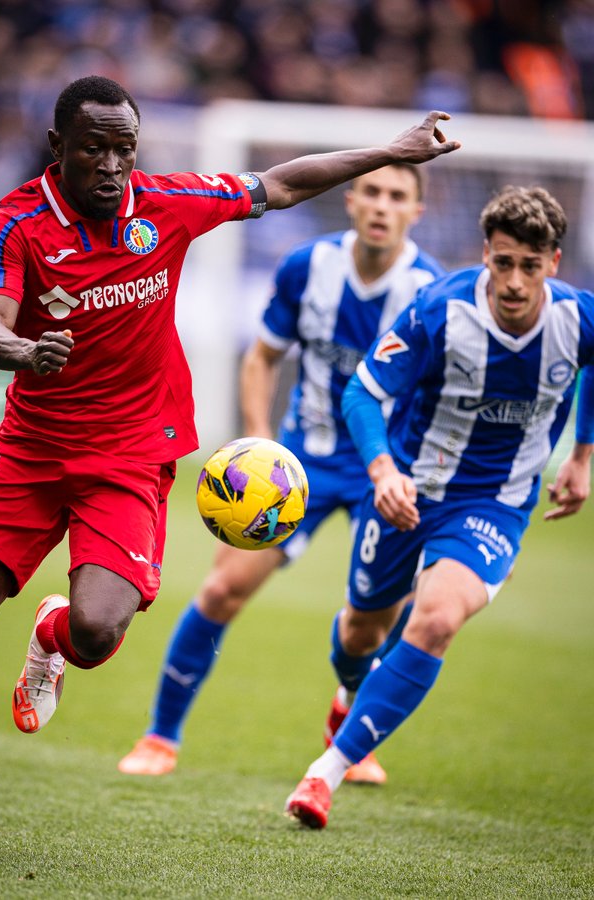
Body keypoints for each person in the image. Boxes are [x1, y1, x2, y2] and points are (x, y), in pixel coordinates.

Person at [0, 74, 460, 850]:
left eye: (125, 149)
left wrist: (392, 148)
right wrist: (24, 351)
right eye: (95, 150)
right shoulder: (15, 224)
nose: (113, 166)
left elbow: (279, 184)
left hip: (128, 457)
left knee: (95, 635)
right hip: (30, 451)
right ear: (59, 148)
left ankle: (53, 634)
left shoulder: (165, 205)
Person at [117, 163, 445, 784]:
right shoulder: (307, 267)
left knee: (379, 619)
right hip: (304, 462)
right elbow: (262, 357)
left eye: (397, 196)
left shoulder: (432, 293)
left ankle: (350, 724)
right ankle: (160, 736)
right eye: (371, 191)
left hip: (387, 471)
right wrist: (259, 443)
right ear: (350, 200)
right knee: (220, 590)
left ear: (416, 212)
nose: (381, 205)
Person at [284, 185, 594, 829]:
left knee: (437, 616)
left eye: (529, 267)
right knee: (361, 631)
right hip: (408, 491)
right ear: (486, 254)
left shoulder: (578, 318)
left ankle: (324, 776)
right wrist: (383, 470)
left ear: (554, 264)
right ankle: (346, 693)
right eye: (502, 263)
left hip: (495, 502)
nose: (513, 282)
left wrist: (582, 453)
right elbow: (363, 394)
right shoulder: (439, 310)